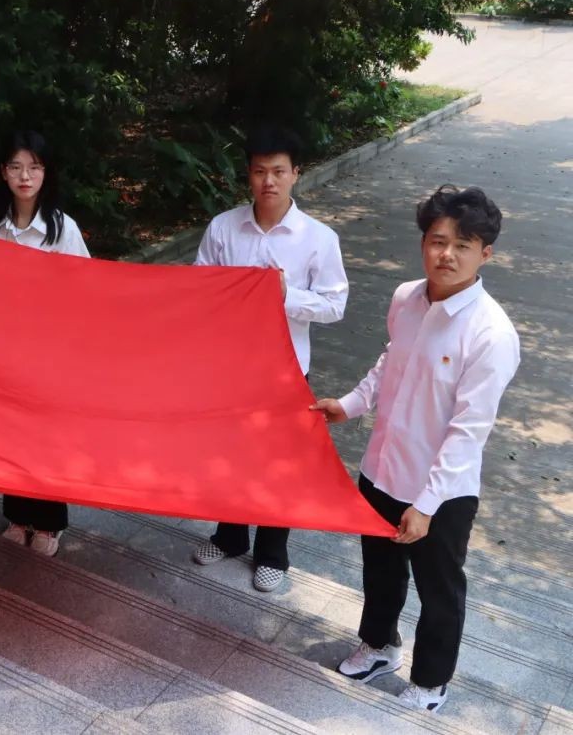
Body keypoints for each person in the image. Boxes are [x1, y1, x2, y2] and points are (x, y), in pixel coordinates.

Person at [312, 185, 519, 712]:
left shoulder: (491, 334)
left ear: (485, 254)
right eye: (437, 241)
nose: (446, 254)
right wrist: (351, 404)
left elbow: (469, 431)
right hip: (382, 467)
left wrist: (426, 506)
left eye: (462, 245)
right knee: (380, 570)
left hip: (441, 493)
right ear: (424, 243)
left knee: (438, 588)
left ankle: (430, 682)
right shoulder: (406, 297)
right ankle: (379, 646)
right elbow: (390, 362)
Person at [191, 124, 348, 592]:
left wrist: (285, 294)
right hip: (232, 367)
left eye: (279, 171)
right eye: (260, 171)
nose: (269, 181)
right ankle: (229, 536)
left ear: (296, 173)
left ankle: (273, 553)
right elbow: (199, 286)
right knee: (231, 454)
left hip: (287, 368)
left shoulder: (318, 238)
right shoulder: (224, 227)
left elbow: (335, 305)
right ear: (248, 174)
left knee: (280, 462)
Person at [0, 130, 90, 556]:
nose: (25, 176)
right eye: (16, 167)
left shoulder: (62, 228)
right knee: (11, 434)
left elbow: (87, 286)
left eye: (34, 167)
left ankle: (49, 524)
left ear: (46, 173)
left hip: (49, 352)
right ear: (3, 172)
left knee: (46, 437)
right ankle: (18, 516)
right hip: (4, 350)